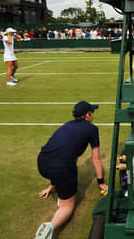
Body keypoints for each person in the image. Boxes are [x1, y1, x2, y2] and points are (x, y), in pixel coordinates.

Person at [35, 101, 108, 239]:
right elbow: (96, 159)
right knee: (67, 206)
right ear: (88, 115)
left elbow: (59, 151)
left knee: (64, 163)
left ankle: (57, 184)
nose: (93, 115)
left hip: (42, 163)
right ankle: (49, 228)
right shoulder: (92, 129)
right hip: (61, 169)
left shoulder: (67, 125)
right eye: (92, 112)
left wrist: (52, 185)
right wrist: (101, 183)